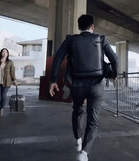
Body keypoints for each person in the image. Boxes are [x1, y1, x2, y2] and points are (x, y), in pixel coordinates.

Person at [49, 14, 118, 161]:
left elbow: (58, 58)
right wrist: (114, 74)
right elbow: (114, 59)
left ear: (79, 27)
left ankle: (77, 139)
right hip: (96, 85)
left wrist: (53, 80)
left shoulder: (71, 40)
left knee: (78, 111)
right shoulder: (101, 39)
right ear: (92, 27)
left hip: (77, 85)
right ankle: (84, 153)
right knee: (93, 120)